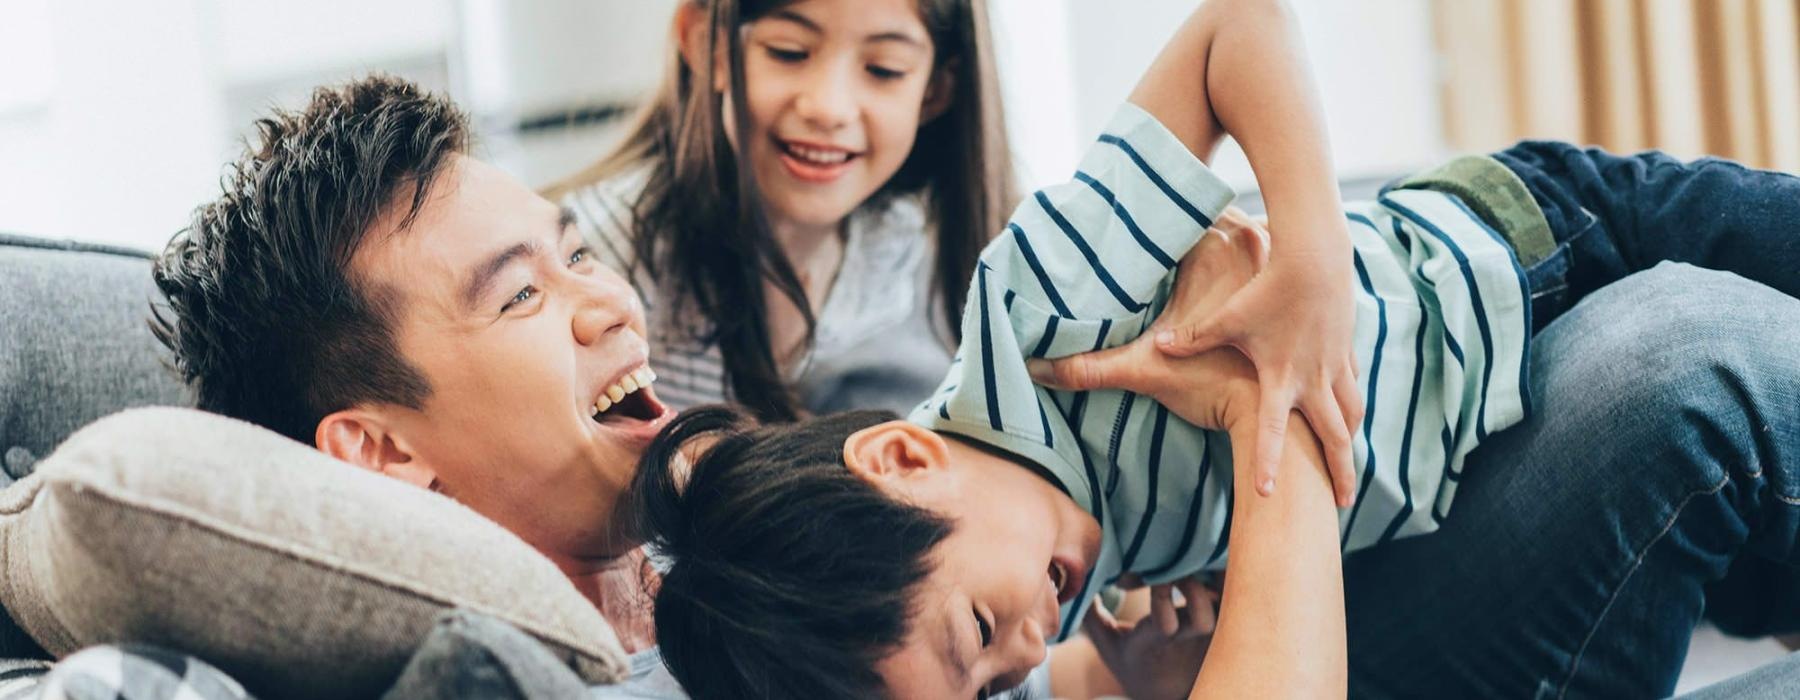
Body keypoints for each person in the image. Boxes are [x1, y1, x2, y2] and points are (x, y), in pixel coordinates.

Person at [137, 67, 1799, 700]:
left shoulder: (713, 548)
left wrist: (1112, 649)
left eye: (574, 254)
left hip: (1296, 562)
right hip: (1304, 585)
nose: (600, 308)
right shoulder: (641, 672)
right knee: (1685, 362)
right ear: (377, 448)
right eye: (521, 296)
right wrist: (1259, 418)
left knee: (1661, 305)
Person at [626, 3, 1800, 699]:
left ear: (901, 458)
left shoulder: (1033, 315)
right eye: (994, 684)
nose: (1031, 651)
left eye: (984, 636)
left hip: (1527, 251)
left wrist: (1313, 265)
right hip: (1478, 440)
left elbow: (1234, 29)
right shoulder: (1062, 549)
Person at [547, 0, 1018, 423]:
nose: (828, 108)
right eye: (789, 52)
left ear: (936, 91)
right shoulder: (601, 256)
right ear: (705, 43)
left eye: (884, 69)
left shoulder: (914, 246)